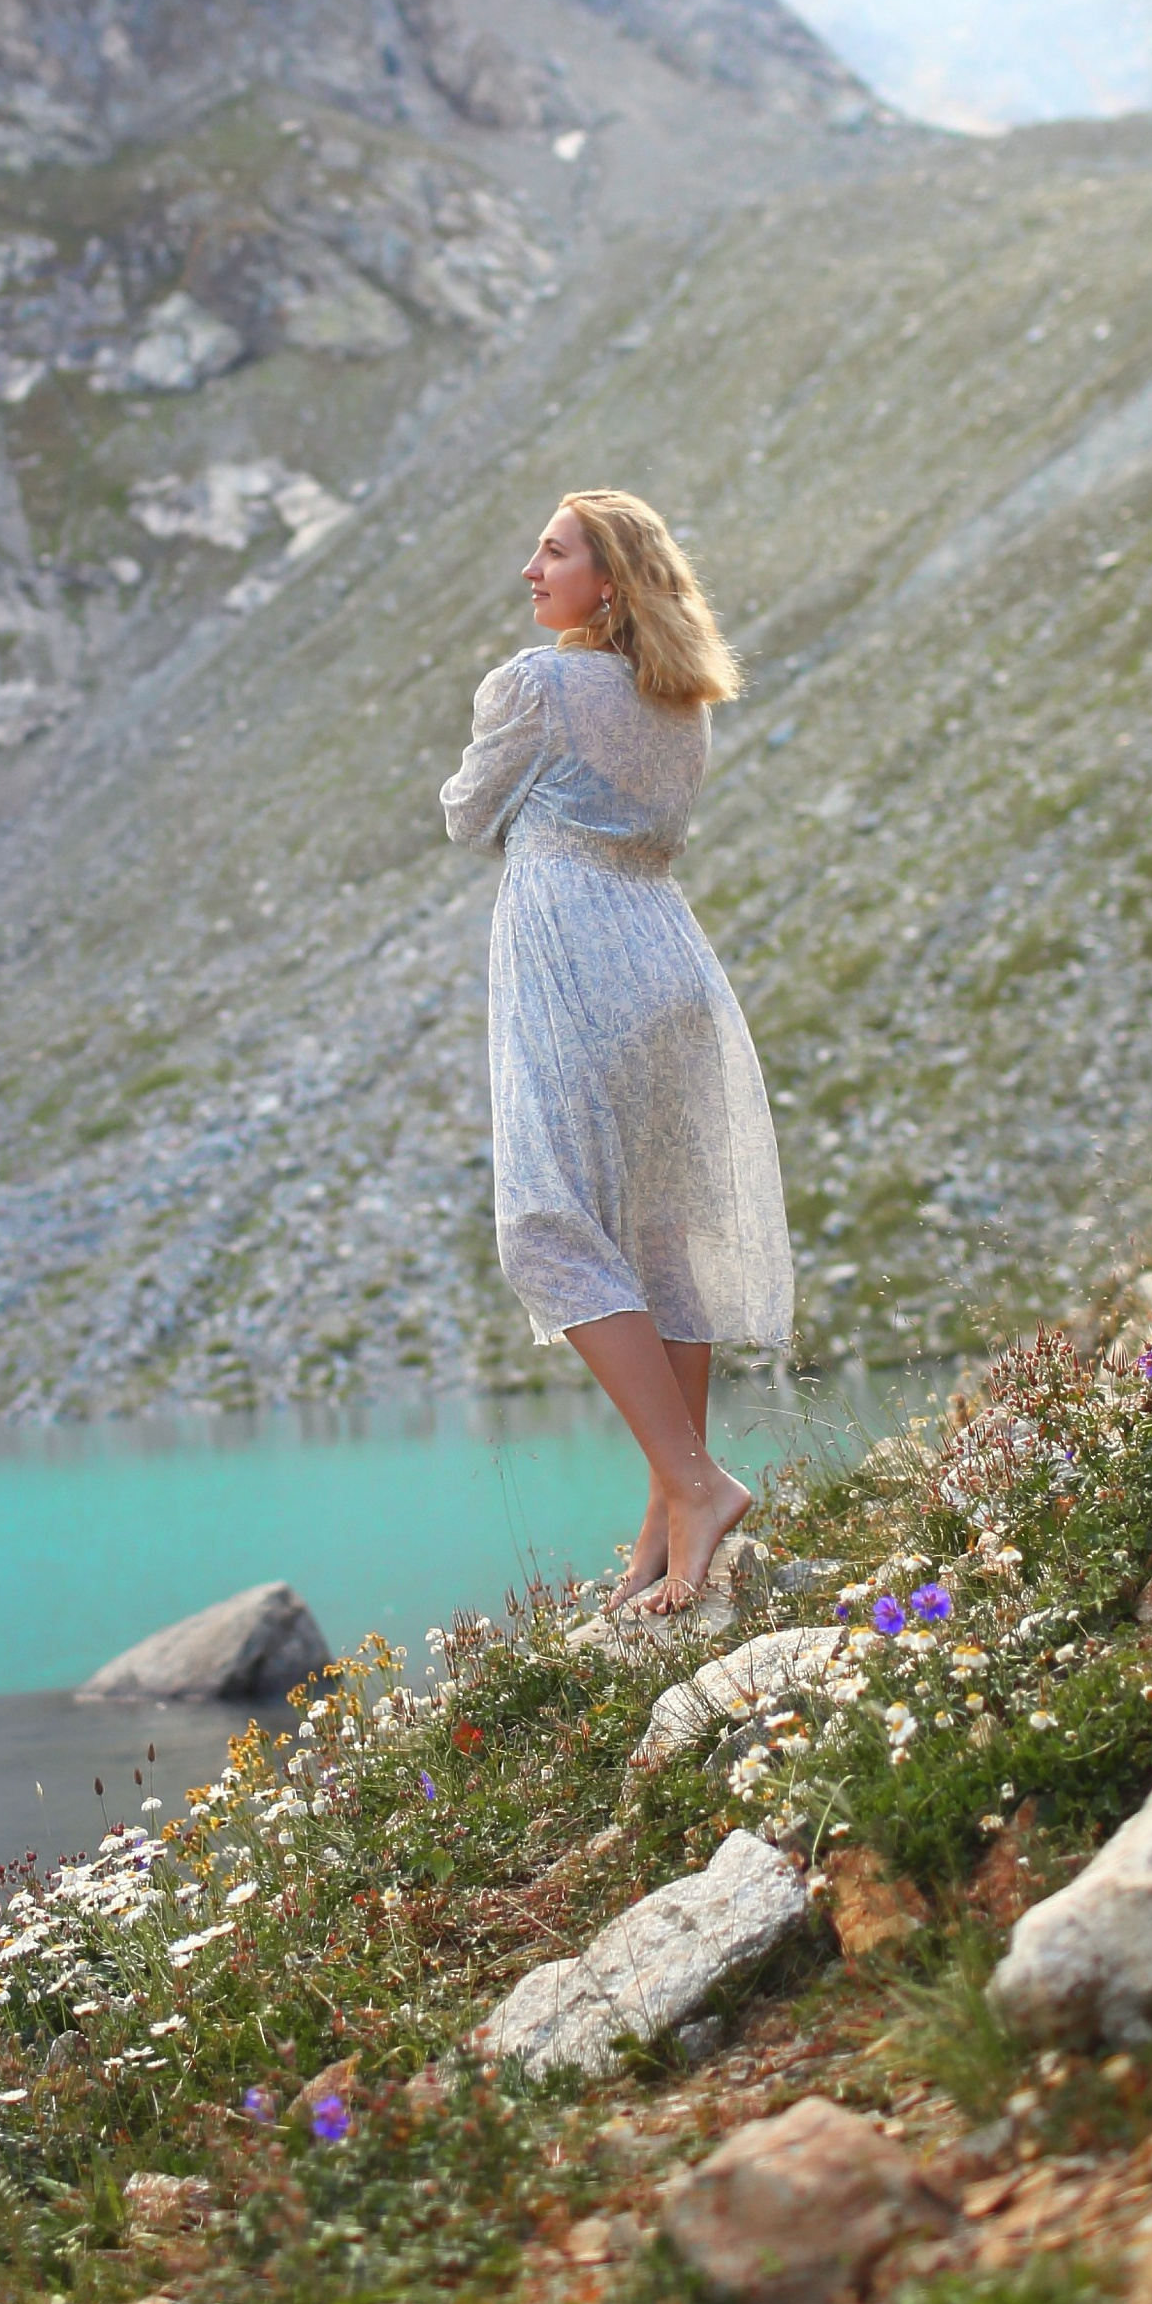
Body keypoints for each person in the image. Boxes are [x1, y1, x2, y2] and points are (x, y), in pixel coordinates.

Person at [440, 489, 793, 1612]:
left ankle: (694, 1485)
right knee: (659, 1233)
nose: (530, 570)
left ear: (609, 579)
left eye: (552, 553)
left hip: (573, 958)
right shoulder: (679, 698)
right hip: (669, 957)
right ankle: (666, 1513)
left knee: (545, 1223)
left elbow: (464, 814)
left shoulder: (535, 683)